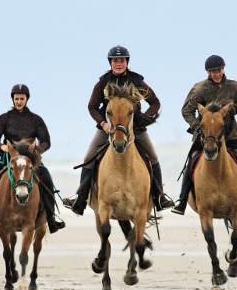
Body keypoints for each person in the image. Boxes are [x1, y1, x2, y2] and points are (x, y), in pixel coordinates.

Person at [62, 45, 174, 215]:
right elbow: (92, 107)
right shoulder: (102, 82)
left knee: (153, 156)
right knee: (88, 157)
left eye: (121, 60)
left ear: (126, 62)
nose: (118, 63)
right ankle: (81, 199)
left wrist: (141, 119)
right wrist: (103, 124)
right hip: (108, 129)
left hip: (134, 129)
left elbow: (155, 103)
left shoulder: (137, 81)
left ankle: (159, 198)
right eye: (115, 61)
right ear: (111, 62)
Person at [172, 54, 237, 215]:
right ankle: (182, 200)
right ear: (208, 73)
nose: (217, 74)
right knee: (192, 162)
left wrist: (232, 110)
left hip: (230, 133)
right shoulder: (199, 89)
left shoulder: (235, 87)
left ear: (223, 69)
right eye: (213, 71)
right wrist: (198, 126)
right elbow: (186, 110)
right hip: (206, 136)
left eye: (219, 70)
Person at [0, 84, 66, 233]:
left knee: (47, 178)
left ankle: (51, 218)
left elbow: (46, 140)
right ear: (13, 99)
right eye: (16, 99)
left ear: (27, 99)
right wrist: (2, 147)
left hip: (30, 160)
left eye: (22, 98)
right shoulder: (4, 118)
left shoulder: (36, 119)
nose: (19, 101)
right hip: (8, 159)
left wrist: (37, 150)